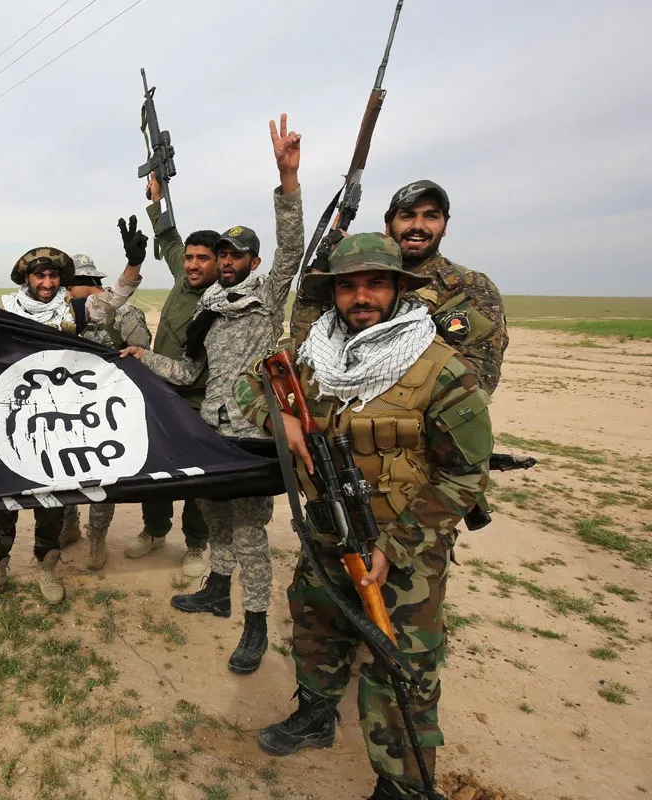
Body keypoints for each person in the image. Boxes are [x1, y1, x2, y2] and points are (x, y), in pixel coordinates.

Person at [235, 232, 493, 800]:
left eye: (376, 283)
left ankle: (401, 783)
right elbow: (246, 384)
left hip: (403, 551)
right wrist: (280, 421)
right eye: (348, 286)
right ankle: (315, 716)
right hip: (327, 532)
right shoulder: (313, 355)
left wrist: (393, 546)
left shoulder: (441, 370)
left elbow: (465, 475)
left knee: (401, 665)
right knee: (316, 631)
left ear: (399, 288)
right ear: (333, 294)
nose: (361, 297)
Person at [120, 114, 303, 675]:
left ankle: (255, 624)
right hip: (212, 430)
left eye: (235, 255)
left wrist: (287, 180)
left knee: (250, 533)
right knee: (216, 515)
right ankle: (218, 591)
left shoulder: (266, 297)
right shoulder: (207, 310)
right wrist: (143, 357)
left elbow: (291, 249)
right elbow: (188, 371)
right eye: (221, 254)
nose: (225, 262)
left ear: (252, 262)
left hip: (254, 435)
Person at [0, 232, 146, 606]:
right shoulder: (4, 308)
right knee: (4, 497)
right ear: (26, 279)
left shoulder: (72, 309)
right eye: (40, 276)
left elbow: (114, 298)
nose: (47, 283)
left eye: (53, 276)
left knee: (52, 498)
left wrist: (133, 264)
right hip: (14, 416)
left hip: (57, 421)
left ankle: (46, 568)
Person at [290, 180, 508, 394]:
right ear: (388, 225)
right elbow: (305, 350)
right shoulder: (351, 282)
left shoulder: (468, 286)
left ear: (444, 227)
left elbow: (477, 382)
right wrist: (331, 264)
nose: (418, 226)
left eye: (431, 216)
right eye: (407, 216)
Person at [126, 173, 218, 578]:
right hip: (161, 394)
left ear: (220, 263)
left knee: (197, 477)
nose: (193, 264)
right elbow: (168, 237)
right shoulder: (184, 274)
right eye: (191, 258)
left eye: (203, 259)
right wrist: (157, 199)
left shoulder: (219, 303)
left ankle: (197, 543)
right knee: (156, 469)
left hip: (198, 402)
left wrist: (144, 357)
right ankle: (155, 530)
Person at [57, 254, 152, 569]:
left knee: (103, 479)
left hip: (108, 413)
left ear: (86, 284)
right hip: (68, 410)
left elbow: (141, 359)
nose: (66, 293)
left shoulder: (125, 313)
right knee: (64, 471)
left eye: (69, 286)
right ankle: (69, 524)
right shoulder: (66, 315)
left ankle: (97, 537)